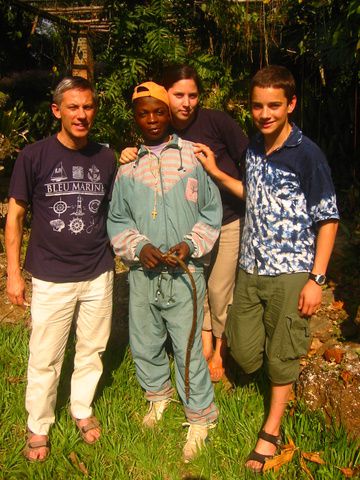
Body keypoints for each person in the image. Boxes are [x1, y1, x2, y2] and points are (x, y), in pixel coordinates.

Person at [196, 65, 339, 473]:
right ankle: (275, 378)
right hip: (251, 264)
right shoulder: (255, 149)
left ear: (290, 104)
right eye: (257, 106)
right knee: (241, 346)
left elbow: (328, 219)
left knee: (282, 352)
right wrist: (217, 173)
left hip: (291, 269)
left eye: (274, 105)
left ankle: (270, 430)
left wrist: (316, 279)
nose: (264, 113)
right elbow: (253, 193)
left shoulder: (306, 154)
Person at [107, 82, 222, 462]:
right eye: (144, 112)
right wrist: (141, 249)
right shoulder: (127, 168)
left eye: (159, 111)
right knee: (145, 339)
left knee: (188, 344)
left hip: (186, 272)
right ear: (135, 117)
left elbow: (211, 213)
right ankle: (157, 397)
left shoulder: (193, 159)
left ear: (169, 113)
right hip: (144, 275)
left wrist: (190, 243)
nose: (152, 119)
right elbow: (118, 220)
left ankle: (201, 416)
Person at [5, 76, 116, 462]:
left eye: (87, 107)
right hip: (51, 276)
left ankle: (81, 408)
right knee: (45, 356)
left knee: (92, 349)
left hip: (99, 271)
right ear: (57, 111)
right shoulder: (33, 156)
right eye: (73, 107)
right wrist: (14, 274)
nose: (81, 114)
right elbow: (16, 215)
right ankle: (39, 424)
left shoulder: (106, 157)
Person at [120, 64, 249, 382]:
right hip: (185, 228)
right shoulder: (159, 127)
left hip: (228, 220)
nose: (186, 102)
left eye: (193, 95)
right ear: (165, 96)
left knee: (220, 289)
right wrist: (126, 154)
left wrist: (219, 172)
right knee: (194, 285)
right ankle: (201, 345)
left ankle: (220, 352)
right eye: (179, 95)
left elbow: (251, 161)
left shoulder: (217, 122)